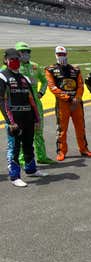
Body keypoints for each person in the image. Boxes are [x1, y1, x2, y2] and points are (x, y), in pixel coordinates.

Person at [1, 48, 47, 187]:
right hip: (14, 119)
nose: (15, 61)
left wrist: (36, 119)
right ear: (6, 60)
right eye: (12, 59)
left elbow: (31, 100)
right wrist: (10, 121)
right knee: (14, 148)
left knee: (28, 145)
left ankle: (31, 169)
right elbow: (1, 101)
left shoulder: (24, 78)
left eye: (17, 59)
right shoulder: (2, 76)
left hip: (28, 117)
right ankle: (14, 176)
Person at [45, 46, 91, 161]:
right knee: (62, 129)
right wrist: (67, 98)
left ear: (67, 54)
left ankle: (84, 149)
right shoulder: (50, 69)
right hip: (63, 103)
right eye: (59, 54)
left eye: (63, 54)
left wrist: (77, 98)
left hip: (77, 103)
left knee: (80, 127)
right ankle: (61, 151)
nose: (61, 57)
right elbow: (52, 87)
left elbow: (81, 85)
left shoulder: (75, 69)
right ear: (55, 55)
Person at [13, 41, 55, 164]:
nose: (25, 54)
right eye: (22, 52)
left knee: (39, 131)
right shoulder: (13, 68)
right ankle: (21, 159)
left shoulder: (35, 66)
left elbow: (45, 81)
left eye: (27, 52)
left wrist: (41, 93)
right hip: (21, 105)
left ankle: (42, 156)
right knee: (22, 133)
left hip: (36, 105)